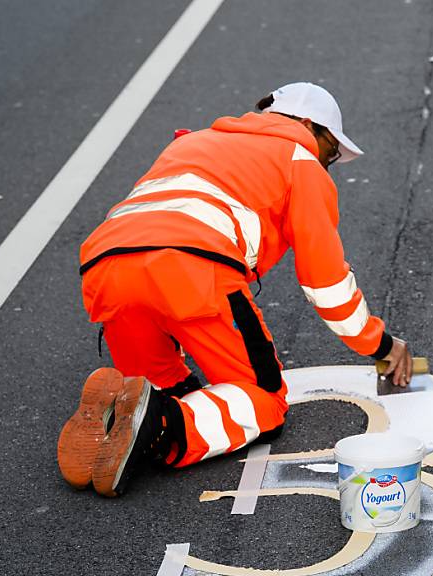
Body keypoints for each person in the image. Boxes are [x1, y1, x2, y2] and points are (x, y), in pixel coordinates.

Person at [57, 82, 413, 497]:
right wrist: (382, 345)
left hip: (105, 268)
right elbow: (326, 284)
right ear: (308, 125)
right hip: (192, 267)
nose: (328, 162)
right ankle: (157, 425)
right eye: (331, 150)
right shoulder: (300, 160)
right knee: (263, 401)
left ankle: (118, 423)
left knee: (165, 388)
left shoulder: (192, 143)